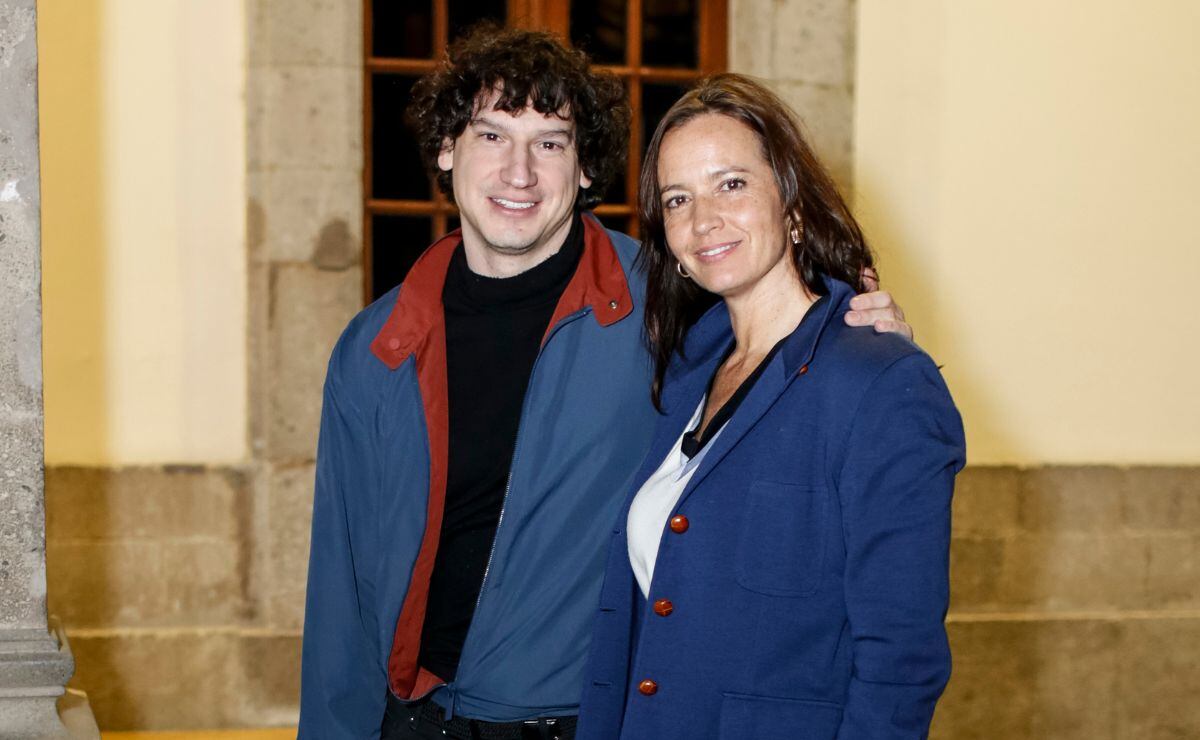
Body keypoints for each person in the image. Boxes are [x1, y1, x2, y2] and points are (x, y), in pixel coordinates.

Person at [299, 27, 911, 740]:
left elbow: (790, 345)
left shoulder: (670, 309)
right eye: (492, 136)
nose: (518, 172)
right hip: (408, 723)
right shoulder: (375, 346)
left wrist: (864, 330)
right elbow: (339, 591)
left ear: (587, 166)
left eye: (550, 143)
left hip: (578, 722)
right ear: (446, 150)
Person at [577, 74, 965, 739]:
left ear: (790, 200)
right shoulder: (684, 379)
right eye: (678, 199)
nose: (703, 219)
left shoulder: (881, 381)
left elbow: (902, 662)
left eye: (731, 184)